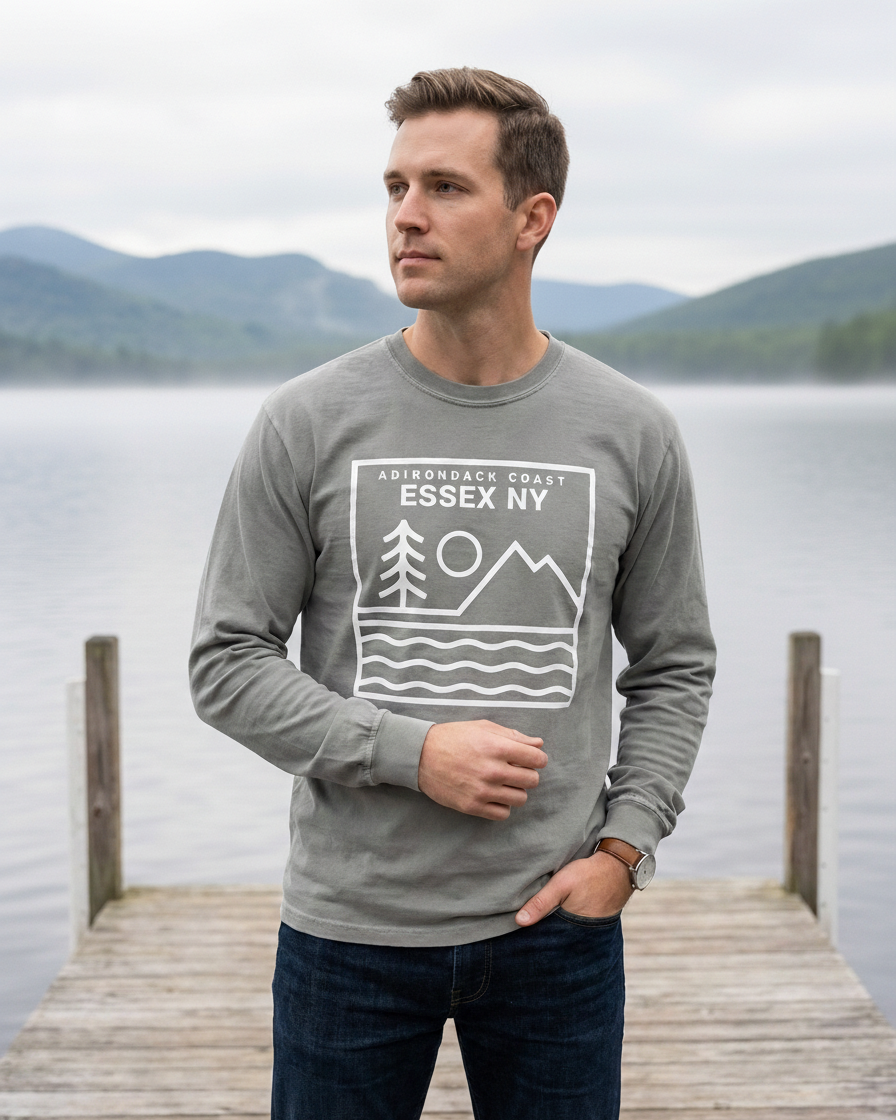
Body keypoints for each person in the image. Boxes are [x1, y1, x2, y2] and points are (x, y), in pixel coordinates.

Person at [190, 66, 715, 1120]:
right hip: (348, 934)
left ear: (532, 219)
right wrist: (411, 750)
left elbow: (673, 664)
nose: (405, 216)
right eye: (394, 187)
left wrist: (625, 848)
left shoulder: (629, 430)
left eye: (443, 187)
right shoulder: (308, 420)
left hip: (554, 931)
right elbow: (227, 663)